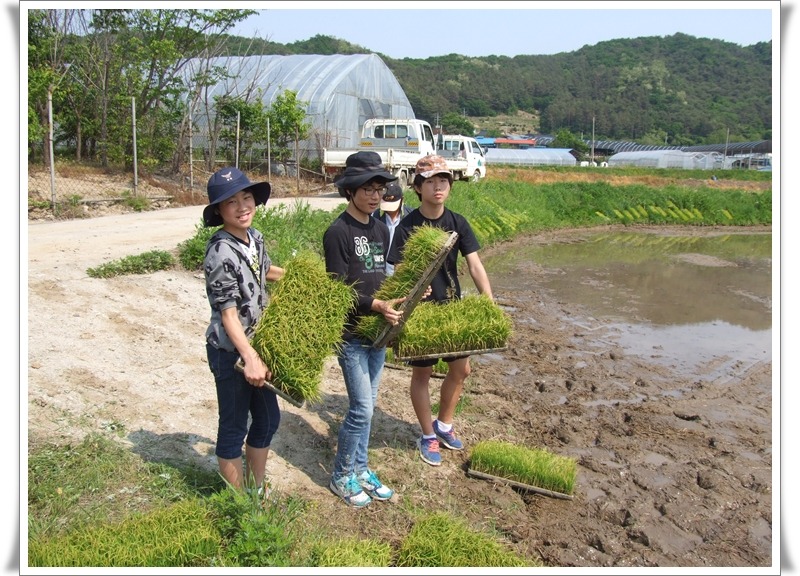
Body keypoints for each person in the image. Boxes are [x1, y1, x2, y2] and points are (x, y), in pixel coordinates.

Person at [387, 154, 494, 467]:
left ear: (450, 186)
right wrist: (411, 294)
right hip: (421, 311)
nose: (438, 187)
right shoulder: (407, 227)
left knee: (461, 369)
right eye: (430, 181)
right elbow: (400, 271)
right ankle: (427, 434)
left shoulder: (457, 222)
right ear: (418, 187)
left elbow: (474, 264)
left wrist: (488, 299)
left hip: (451, 307)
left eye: (443, 181)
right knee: (422, 373)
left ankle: (444, 424)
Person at [323, 151, 407, 507]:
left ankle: (360, 469)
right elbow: (339, 289)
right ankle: (341, 475)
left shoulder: (380, 228)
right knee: (362, 409)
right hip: (352, 335)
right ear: (350, 191)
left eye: (379, 189)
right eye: (367, 189)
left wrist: (405, 293)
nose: (375, 196)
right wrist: (376, 305)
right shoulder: (337, 232)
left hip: (377, 334)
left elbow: (381, 279)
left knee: (369, 405)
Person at [203, 166, 285, 497]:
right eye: (231, 202)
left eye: (246, 197)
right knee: (234, 426)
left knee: (267, 420)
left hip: (256, 346)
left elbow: (264, 271)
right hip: (230, 352)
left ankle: (255, 488)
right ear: (219, 211)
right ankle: (239, 505)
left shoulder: (255, 238)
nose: (242, 207)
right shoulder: (220, 251)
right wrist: (249, 357)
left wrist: (303, 277)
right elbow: (228, 314)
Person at [372, 180, 413, 276]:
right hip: (380, 271)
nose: (389, 209)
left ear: (402, 200)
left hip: (404, 272)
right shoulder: (375, 217)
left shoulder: (411, 217)